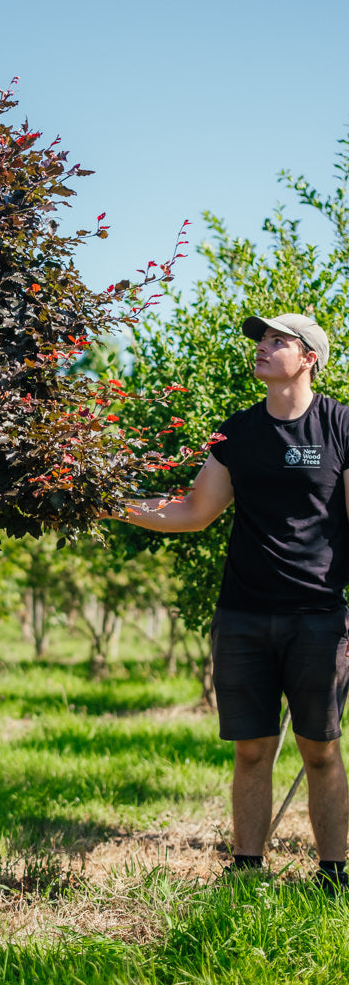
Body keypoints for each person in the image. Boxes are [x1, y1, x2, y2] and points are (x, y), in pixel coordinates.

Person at [113, 313, 349, 891]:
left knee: (320, 750)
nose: (263, 349)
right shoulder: (236, 433)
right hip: (243, 614)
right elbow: (193, 512)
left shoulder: (341, 426)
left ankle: (335, 876)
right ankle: (246, 872)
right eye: (261, 341)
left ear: (309, 357)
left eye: (277, 342)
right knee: (251, 749)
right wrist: (108, 502)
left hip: (319, 615)